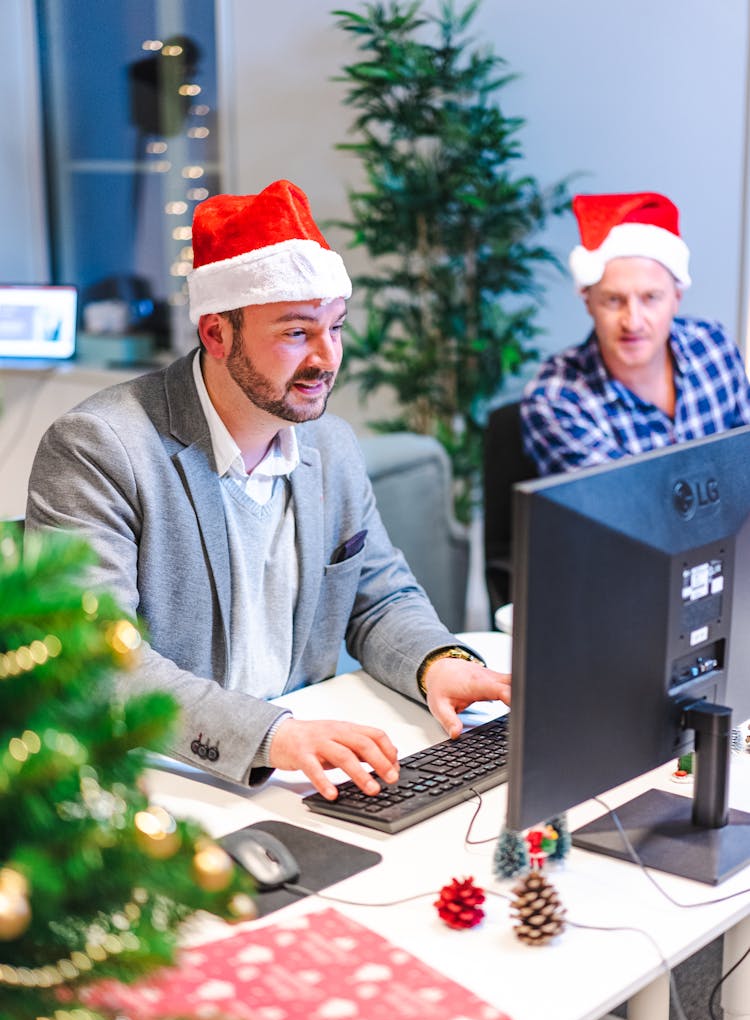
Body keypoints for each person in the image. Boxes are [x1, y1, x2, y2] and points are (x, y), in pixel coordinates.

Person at [26, 179, 511, 800]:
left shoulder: (329, 446)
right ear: (216, 335)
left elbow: (380, 596)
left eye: (335, 328)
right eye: (295, 333)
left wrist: (437, 663)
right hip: (158, 777)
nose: (325, 358)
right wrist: (273, 736)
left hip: (296, 772)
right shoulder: (99, 447)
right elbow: (95, 663)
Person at [521, 191, 750, 475]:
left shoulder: (714, 348)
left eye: (651, 297)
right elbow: (627, 512)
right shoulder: (557, 400)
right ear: (588, 301)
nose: (633, 322)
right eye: (613, 300)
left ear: (676, 297)